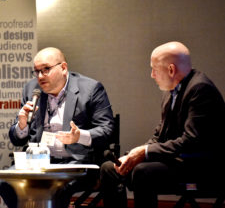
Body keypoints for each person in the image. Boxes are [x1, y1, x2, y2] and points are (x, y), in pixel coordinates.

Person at [100, 41, 225, 208]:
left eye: (154, 69)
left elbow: (191, 142)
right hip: (178, 161)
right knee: (110, 168)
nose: (152, 75)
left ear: (171, 70)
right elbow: (160, 135)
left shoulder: (201, 89)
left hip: (202, 168)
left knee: (143, 172)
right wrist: (131, 157)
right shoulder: (170, 92)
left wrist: (145, 153)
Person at [6, 47, 115, 208]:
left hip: (76, 163)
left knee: (54, 188)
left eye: (46, 70)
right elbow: (17, 139)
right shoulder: (31, 89)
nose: (40, 76)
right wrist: (22, 125)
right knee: (7, 185)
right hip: (39, 163)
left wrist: (79, 136)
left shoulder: (90, 89)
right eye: (36, 71)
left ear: (63, 68)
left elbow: (107, 130)